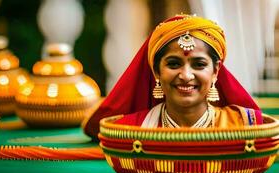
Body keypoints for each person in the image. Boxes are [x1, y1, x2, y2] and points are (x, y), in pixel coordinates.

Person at [83, 14, 262, 139]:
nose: (185, 75)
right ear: (156, 71)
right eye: (173, 64)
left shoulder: (245, 125)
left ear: (215, 71)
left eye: (199, 64)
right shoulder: (128, 130)